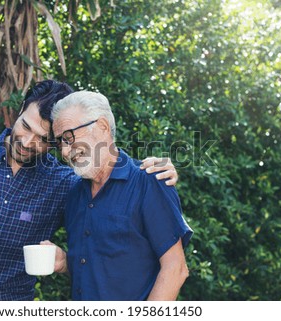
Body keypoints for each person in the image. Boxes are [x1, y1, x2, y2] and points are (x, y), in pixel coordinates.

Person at [0, 80, 179, 301]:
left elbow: (106, 183)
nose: (27, 141)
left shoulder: (63, 184)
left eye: (44, 139)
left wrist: (149, 170)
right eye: (25, 126)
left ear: (55, 143)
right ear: (18, 111)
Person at [49, 90, 193, 300]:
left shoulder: (149, 181)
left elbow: (176, 269)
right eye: (60, 142)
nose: (64, 151)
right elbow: (102, 269)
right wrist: (65, 263)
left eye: (69, 137)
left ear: (102, 127)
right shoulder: (74, 195)